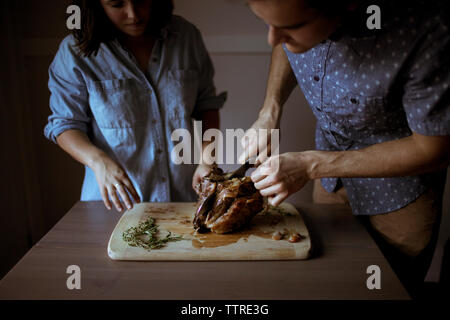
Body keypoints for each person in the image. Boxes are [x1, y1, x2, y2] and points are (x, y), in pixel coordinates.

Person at [242, 0, 450, 298]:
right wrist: (269, 110)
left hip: (401, 195)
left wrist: (312, 165)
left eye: (292, 27)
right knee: (331, 287)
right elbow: (283, 44)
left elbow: (435, 150)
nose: (272, 38)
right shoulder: (287, 25)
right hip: (330, 183)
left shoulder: (425, 27)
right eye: (270, 25)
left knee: (382, 292)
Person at [44, 0, 226, 212]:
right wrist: (98, 161)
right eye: (116, 4)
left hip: (184, 200)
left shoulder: (186, 36)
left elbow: (207, 105)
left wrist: (207, 160)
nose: (133, 14)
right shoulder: (74, 51)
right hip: (114, 204)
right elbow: (65, 125)